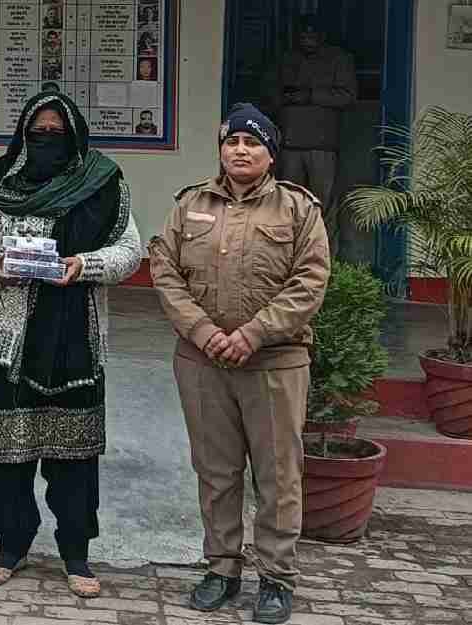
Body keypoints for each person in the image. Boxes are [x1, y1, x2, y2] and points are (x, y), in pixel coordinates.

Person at [0, 91, 142, 598]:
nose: (47, 139)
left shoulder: (103, 183)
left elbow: (130, 251)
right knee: (6, 453)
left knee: (75, 456)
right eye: (39, 132)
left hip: (76, 341)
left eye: (57, 132)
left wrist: (85, 265)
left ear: (74, 136)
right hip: (6, 343)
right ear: (23, 134)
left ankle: (76, 553)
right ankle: (10, 545)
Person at [148, 103, 330, 624]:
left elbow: (310, 282)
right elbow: (165, 271)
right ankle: (222, 568)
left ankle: (276, 578)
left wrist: (253, 333)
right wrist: (204, 332)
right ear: (221, 150)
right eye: (232, 142)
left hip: (275, 362)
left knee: (277, 475)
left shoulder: (298, 209)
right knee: (216, 471)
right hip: (202, 362)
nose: (241, 151)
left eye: (253, 143)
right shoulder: (190, 204)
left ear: (271, 154)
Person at [269, 15, 357, 254]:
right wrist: (286, 99)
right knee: (287, 203)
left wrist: (310, 96)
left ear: (322, 36)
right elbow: (270, 94)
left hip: (323, 144)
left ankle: (325, 258)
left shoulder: (339, 59)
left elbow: (348, 97)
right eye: (303, 34)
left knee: (323, 204)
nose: (307, 38)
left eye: (312, 34)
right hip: (289, 143)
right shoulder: (286, 59)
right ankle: (286, 257)